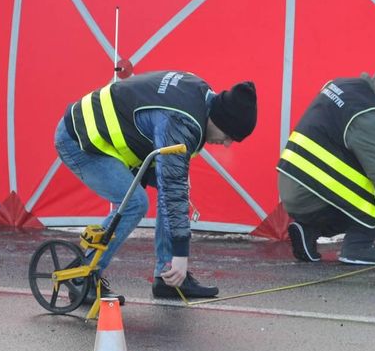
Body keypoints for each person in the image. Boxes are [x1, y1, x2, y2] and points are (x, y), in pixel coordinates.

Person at [54, 70, 257, 300]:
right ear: (221, 119)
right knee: (134, 203)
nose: (227, 144)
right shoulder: (182, 122)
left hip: (111, 137)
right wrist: (181, 254)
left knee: (171, 187)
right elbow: (173, 188)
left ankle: (167, 277)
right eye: (229, 135)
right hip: (79, 140)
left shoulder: (201, 94)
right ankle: (81, 279)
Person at [276, 61, 375, 265]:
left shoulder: (343, 86)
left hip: (294, 188)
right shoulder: (368, 117)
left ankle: (308, 231)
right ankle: (358, 247)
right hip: (313, 193)